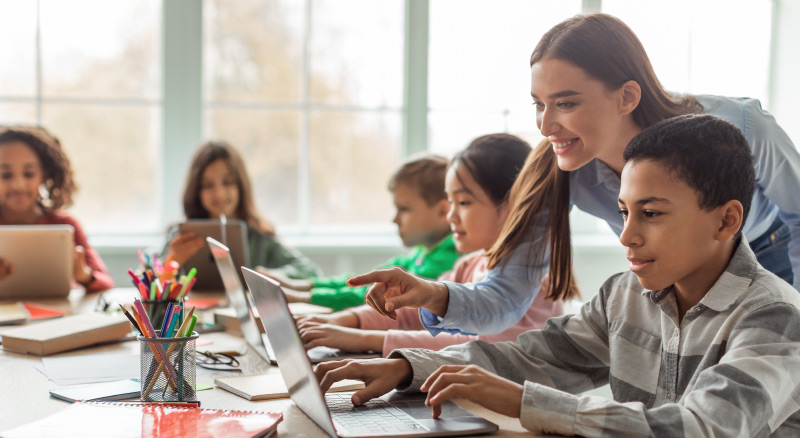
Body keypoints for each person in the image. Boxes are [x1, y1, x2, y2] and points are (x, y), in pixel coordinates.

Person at [316, 114, 800, 437]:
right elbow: (535, 355)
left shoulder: (776, 317)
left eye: (650, 214)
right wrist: (410, 367)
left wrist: (526, 401)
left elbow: (698, 428)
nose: (626, 236)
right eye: (624, 212)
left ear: (726, 220)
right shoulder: (624, 295)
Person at [350, 13, 800, 336]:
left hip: (764, 253)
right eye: (538, 105)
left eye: (565, 104)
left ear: (626, 97)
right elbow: (506, 297)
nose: (545, 127)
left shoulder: (740, 125)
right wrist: (430, 293)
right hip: (674, 269)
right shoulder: (563, 169)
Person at [296, 135, 572, 355]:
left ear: (514, 203)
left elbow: (475, 348)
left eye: (463, 202)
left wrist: (360, 338)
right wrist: (338, 323)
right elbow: (413, 313)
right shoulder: (468, 265)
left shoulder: (532, 283)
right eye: (450, 202)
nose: (450, 216)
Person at [266, 154, 459, 311]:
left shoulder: (450, 260)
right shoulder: (422, 253)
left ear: (442, 211)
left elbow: (369, 297)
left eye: (404, 209)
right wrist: (303, 285)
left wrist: (300, 296)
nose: (395, 219)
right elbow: (365, 280)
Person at [164, 141, 320, 279]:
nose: (219, 194)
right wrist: (171, 263)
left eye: (228, 182)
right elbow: (146, 278)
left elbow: (310, 271)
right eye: (207, 185)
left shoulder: (260, 236)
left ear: (241, 186)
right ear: (196, 191)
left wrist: (267, 276)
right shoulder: (181, 236)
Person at [0, 126, 114, 292]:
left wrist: (82, 274)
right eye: (5, 175)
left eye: (29, 174)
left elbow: (106, 283)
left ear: (44, 174)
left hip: (60, 315)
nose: (18, 185)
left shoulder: (66, 225)